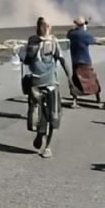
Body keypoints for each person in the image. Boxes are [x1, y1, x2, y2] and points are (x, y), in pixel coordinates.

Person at [23, 17, 71, 159]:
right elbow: (27, 60)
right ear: (38, 26)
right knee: (37, 115)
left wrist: (70, 78)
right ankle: (40, 134)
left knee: (53, 116)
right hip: (36, 85)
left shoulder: (54, 42)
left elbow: (62, 59)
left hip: (51, 84)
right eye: (43, 25)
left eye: (47, 25)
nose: (45, 28)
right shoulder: (32, 41)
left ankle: (48, 147)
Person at [66, 15, 103, 108]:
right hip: (85, 60)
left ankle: (74, 101)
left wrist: (75, 28)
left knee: (75, 81)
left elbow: (68, 33)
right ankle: (98, 101)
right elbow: (93, 40)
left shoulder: (72, 34)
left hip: (75, 60)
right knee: (93, 80)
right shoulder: (85, 35)